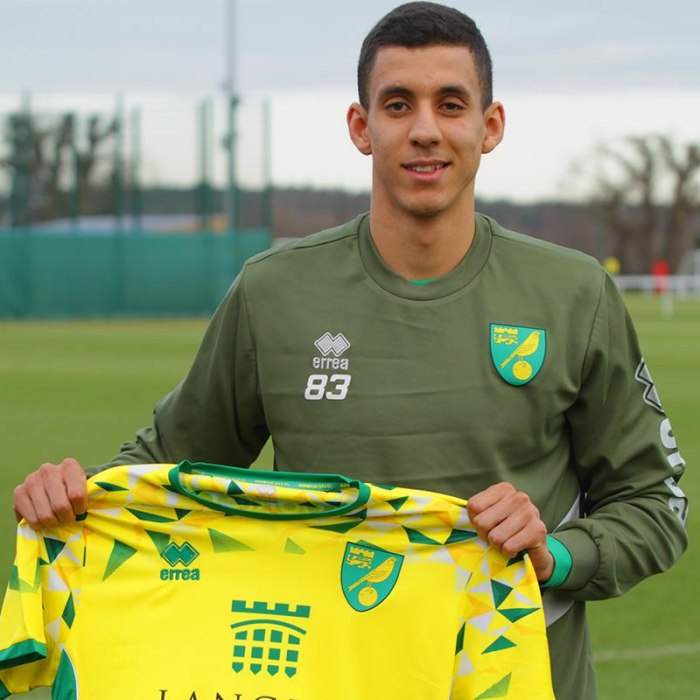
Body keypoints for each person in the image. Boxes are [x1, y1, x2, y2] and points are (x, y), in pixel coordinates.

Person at [11, 3, 688, 698]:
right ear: (362, 127)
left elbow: (654, 502)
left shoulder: (574, 294)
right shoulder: (274, 291)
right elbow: (165, 464)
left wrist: (555, 556)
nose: (425, 129)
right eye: (398, 104)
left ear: (490, 126)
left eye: (450, 104)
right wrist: (76, 494)